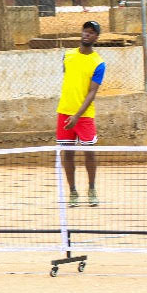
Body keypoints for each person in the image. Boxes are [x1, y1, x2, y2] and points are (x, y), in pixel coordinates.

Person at [57, 20, 105, 207]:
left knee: (89, 153)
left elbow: (92, 92)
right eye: (85, 31)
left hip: (84, 117)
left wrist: (77, 115)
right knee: (67, 154)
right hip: (63, 112)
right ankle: (73, 192)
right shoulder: (67, 56)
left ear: (96, 38)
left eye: (91, 32)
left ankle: (92, 189)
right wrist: (70, 113)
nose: (86, 34)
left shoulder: (99, 63)